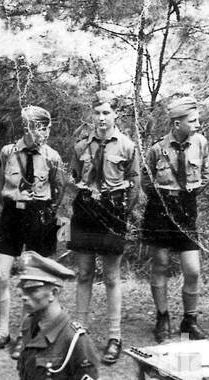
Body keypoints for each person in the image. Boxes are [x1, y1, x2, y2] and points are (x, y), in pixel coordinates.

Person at [66, 90, 140, 365]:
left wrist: (121, 213)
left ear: (115, 115)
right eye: (97, 112)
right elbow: (72, 178)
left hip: (113, 210)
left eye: (106, 112)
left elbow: (134, 184)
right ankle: (79, 332)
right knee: (84, 273)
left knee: (111, 276)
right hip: (86, 210)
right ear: (91, 115)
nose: (101, 117)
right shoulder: (81, 146)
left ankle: (114, 337)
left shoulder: (127, 146)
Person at [0, 104, 61, 357]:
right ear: (27, 127)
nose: (44, 133)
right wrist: (8, 203)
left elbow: (58, 191)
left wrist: (44, 210)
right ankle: (2, 333)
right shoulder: (8, 152)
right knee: (0, 276)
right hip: (12, 216)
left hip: (39, 216)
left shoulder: (52, 157)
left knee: (32, 279)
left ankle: (23, 334)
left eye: (47, 128)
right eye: (39, 128)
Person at [141, 94, 209, 343]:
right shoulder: (157, 149)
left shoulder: (201, 143)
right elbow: (146, 182)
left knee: (192, 270)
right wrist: (167, 197)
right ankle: (162, 317)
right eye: (192, 120)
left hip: (186, 208)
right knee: (160, 263)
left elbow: (206, 174)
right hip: (159, 208)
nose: (197, 124)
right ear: (176, 123)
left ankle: (189, 321)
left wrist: (186, 196)